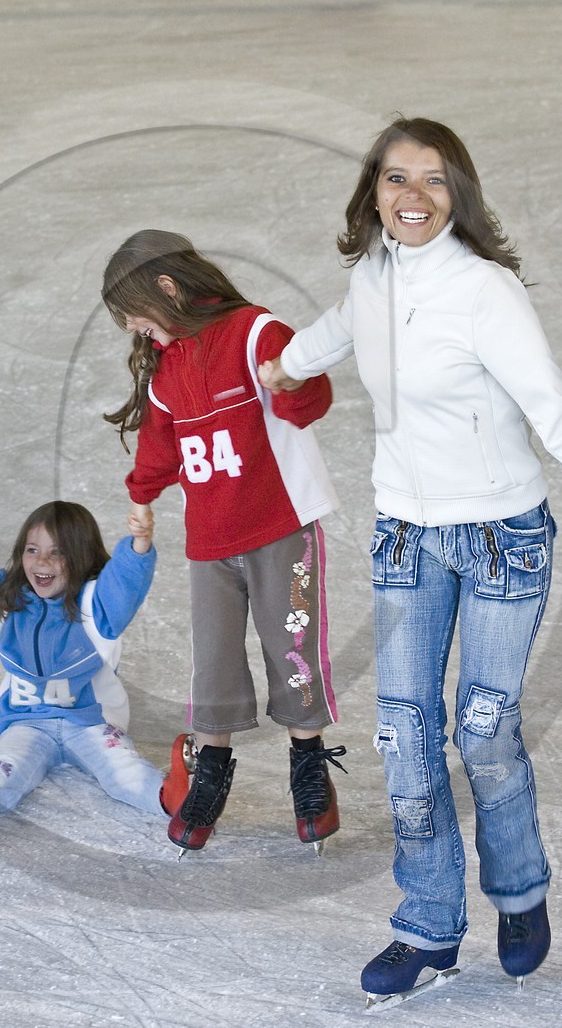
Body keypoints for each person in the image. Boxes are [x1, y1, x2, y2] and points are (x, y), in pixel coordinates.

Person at [260, 118, 562, 1003]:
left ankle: (520, 889)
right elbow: (333, 331)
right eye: (396, 180)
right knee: (402, 733)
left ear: (457, 191)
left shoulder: (485, 290)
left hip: (500, 537)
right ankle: (428, 925)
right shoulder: (374, 276)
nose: (412, 198)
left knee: (483, 729)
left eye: (432, 181)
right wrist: (278, 367)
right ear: (373, 193)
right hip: (404, 535)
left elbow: (557, 408)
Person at [102, 229, 347, 855]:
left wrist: (287, 382)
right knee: (212, 660)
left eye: (139, 318)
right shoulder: (166, 370)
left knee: (290, 646)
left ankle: (309, 766)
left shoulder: (257, 333)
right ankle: (210, 771)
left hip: (280, 528)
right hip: (210, 543)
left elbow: (310, 402)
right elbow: (161, 442)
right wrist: (141, 495)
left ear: (167, 287)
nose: (140, 333)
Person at [0, 501, 186, 841]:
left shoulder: (98, 607)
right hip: (27, 721)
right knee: (5, 770)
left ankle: (173, 799)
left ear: (81, 558)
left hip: (90, 722)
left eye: (57, 553)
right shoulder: (10, 599)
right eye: (32, 550)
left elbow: (125, 584)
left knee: (121, 771)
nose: (42, 562)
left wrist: (139, 544)